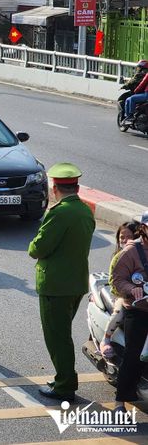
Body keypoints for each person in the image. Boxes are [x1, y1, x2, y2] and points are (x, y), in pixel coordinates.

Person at [28, 163, 95, 402]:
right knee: (62, 333)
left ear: (55, 188)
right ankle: (61, 379)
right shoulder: (85, 210)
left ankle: (65, 384)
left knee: (57, 336)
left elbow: (38, 248)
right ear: (75, 187)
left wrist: (35, 243)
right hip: (75, 283)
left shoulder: (59, 212)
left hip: (55, 285)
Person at [112, 211, 148, 413]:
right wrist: (130, 289)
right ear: (143, 229)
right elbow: (117, 280)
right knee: (133, 354)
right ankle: (120, 401)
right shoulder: (131, 251)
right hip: (138, 309)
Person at [101, 221, 141, 358]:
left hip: (142, 297)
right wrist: (129, 291)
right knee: (120, 312)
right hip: (122, 295)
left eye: (129, 237)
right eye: (122, 237)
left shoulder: (141, 253)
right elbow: (115, 281)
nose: (125, 240)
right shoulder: (121, 256)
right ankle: (106, 338)